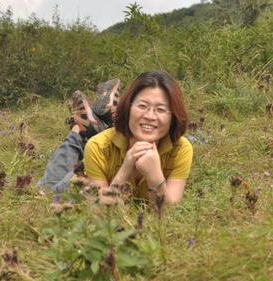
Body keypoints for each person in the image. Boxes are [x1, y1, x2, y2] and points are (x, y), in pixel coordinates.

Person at [38, 70, 193, 205]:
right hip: (80, 182)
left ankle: (88, 125)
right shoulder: (97, 146)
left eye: (160, 109)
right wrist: (125, 170)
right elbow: (101, 211)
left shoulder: (181, 149)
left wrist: (155, 176)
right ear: (128, 108)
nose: (150, 116)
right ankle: (78, 131)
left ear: (173, 116)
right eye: (142, 106)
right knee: (46, 191)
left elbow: (168, 212)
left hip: (105, 149)